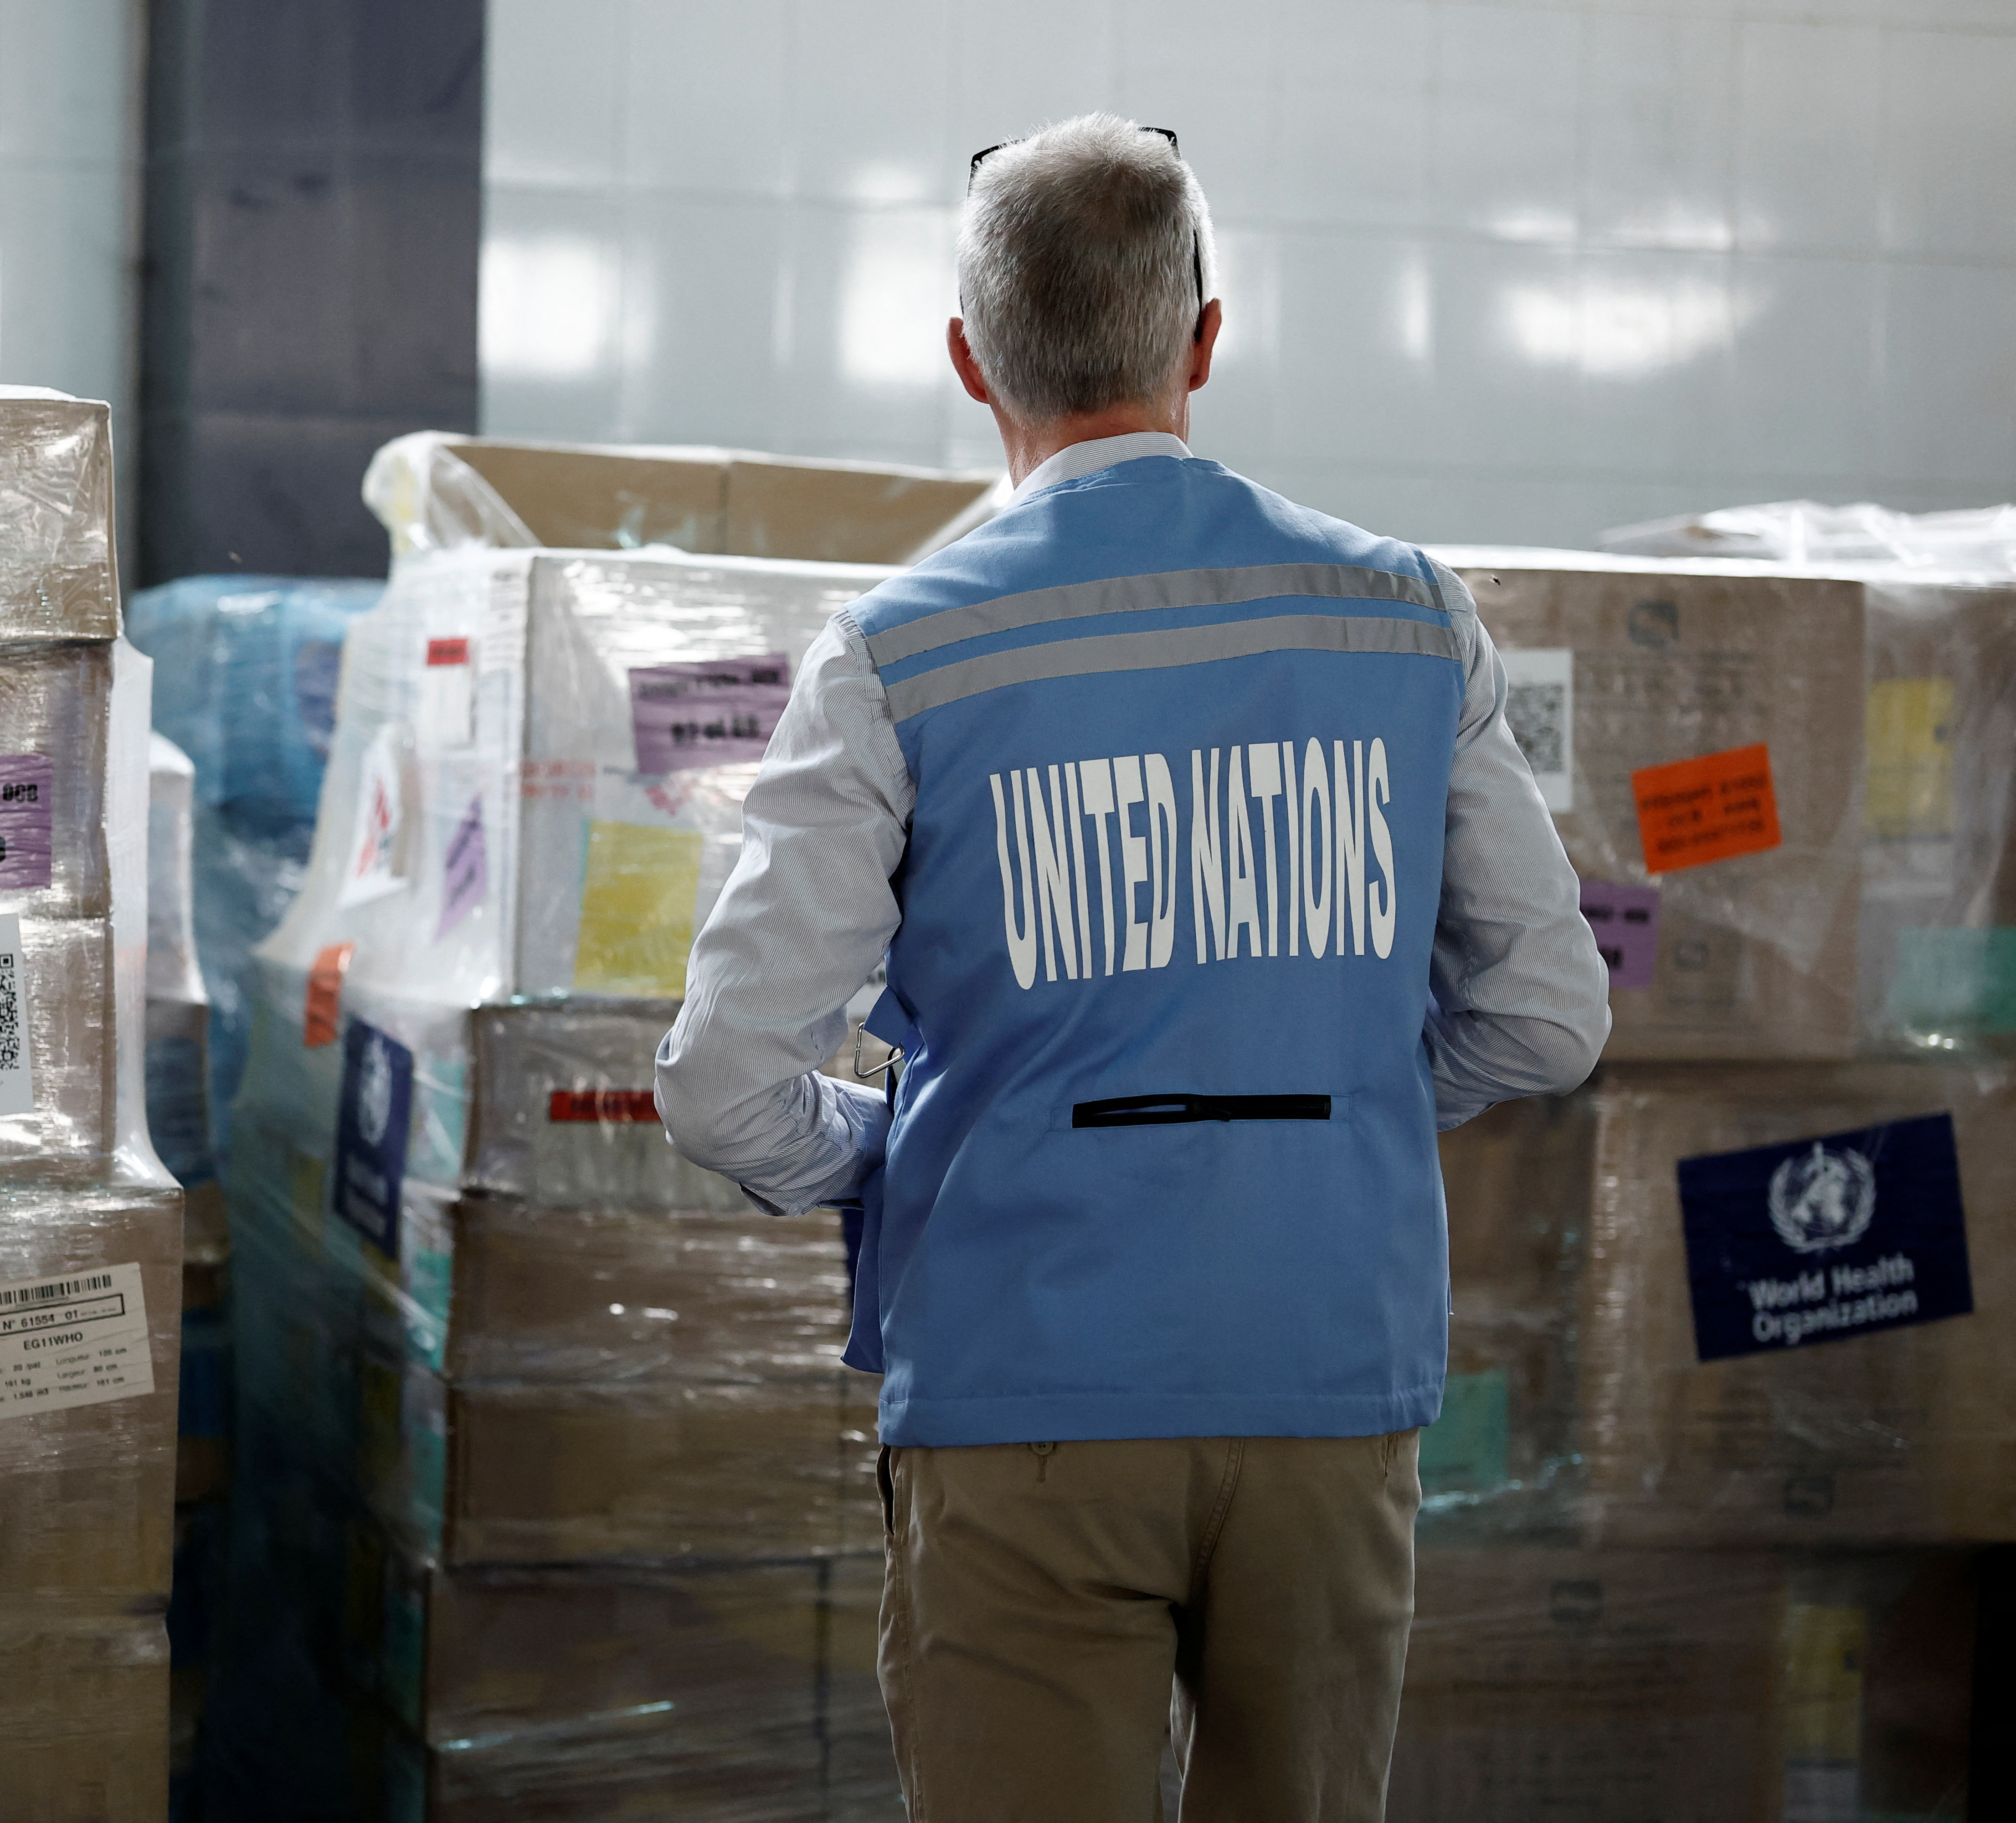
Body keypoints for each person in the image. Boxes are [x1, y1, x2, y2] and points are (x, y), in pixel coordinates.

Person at [653, 114, 1609, 1823]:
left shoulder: (899, 653)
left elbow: (721, 1082)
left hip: (1025, 1396)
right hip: (1331, 1380)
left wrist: (897, 1160)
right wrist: (1363, 1095)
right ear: (1206, 338)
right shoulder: (1409, 618)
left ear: (967, 362)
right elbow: (1548, 1016)